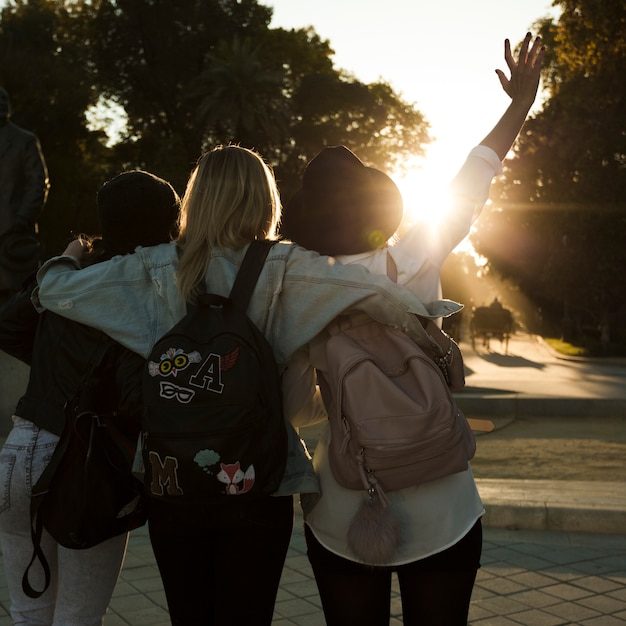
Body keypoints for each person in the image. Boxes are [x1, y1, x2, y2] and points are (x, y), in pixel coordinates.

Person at [34, 144, 458, 625]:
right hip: (259, 480)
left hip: (174, 480)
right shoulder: (288, 267)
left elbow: (54, 293)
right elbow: (375, 292)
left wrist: (66, 258)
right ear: (265, 201)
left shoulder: (150, 268)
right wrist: (432, 326)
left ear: (197, 199)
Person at [279, 32, 545, 626]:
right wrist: (519, 104)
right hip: (445, 502)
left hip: (346, 509)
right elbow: (472, 178)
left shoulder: (297, 287)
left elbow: (300, 412)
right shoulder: (415, 259)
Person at [0, 170, 180, 625]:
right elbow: (134, 397)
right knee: (78, 618)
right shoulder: (151, 297)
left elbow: (6, 325)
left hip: (18, 456)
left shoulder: (70, 285)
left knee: (26, 614)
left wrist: (65, 262)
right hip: (87, 466)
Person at [0, 87, 50, 303]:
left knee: (19, 298)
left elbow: (38, 183)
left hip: (14, 236)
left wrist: (22, 219)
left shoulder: (23, 140)